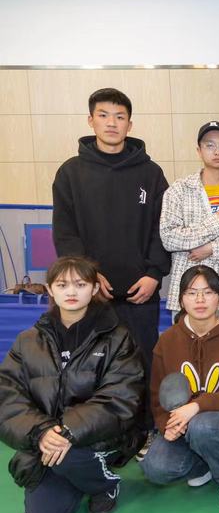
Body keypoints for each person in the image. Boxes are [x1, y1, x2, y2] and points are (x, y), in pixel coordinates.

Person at [52, 87, 170, 439]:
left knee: (142, 362)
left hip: (140, 294)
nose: (112, 123)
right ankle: (99, 435)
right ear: (91, 121)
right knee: (92, 366)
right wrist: (87, 279)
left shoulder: (151, 173)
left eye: (120, 117)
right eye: (103, 115)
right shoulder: (71, 173)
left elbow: (162, 229)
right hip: (90, 296)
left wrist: (154, 274)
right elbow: (65, 232)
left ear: (130, 124)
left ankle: (143, 432)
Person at [0, 256, 143, 513]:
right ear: (50, 290)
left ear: (94, 288)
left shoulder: (117, 337)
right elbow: (7, 397)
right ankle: (77, 477)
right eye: (62, 284)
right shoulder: (28, 341)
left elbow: (121, 397)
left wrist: (67, 432)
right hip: (47, 441)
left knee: (68, 457)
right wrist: (42, 432)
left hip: (100, 437)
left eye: (80, 284)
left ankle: (103, 484)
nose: (71, 292)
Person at [140, 266, 219, 504]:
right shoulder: (168, 340)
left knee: (202, 425)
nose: (200, 300)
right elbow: (157, 393)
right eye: (192, 293)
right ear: (181, 300)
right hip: (186, 424)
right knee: (155, 467)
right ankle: (203, 467)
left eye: (208, 292)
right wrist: (167, 425)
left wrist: (197, 406)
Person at [160, 121, 219, 332]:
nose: (218, 151)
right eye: (210, 145)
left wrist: (211, 248)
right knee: (187, 353)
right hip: (190, 297)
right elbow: (169, 238)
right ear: (199, 150)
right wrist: (217, 223)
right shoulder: (178, 190)